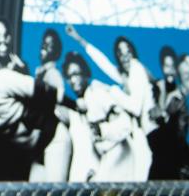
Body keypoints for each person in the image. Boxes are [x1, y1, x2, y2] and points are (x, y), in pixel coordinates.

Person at [62, 50, 150, 181]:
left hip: (121, 156)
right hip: (107, 161)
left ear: (85, 74)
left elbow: (125, 124)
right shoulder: (80, 105)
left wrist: (102, 129)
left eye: (76, 74)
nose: (73, 80)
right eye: (69, 77)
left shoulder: (98, 93)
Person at [28, 27, 70, 181]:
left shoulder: (53, 74)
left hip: (55, 138)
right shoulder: (40, 73)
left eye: (50, 45)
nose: (44, 47)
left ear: (56, 52)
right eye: (43, 43)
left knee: (55, 191)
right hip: (41, 139)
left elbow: (59, 98)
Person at [147, 46, 189, 179]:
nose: (170, 71)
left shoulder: (181, 98)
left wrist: (166, 116)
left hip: (174, 155)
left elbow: (181, 132)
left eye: (172, 67)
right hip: (157, 152)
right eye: (166, 66)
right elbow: (150, 113)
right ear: (162, 67)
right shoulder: (157, 88)